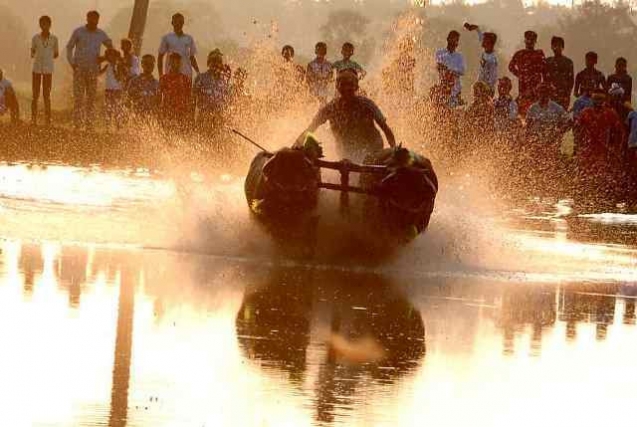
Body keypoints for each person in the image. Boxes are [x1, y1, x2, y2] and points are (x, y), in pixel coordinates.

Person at [300, 69, 396, 161]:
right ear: (337, 87)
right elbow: (311, 129)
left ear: (356, 87)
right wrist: (296, 145)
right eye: (343, 84)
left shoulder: (367, 105)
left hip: (372, 151)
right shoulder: (330, 108)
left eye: (350, 84)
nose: (346, 88)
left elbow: (386, 129)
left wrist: (394, 150)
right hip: (345, 156)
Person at [66, 10, 112, 131]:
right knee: (79, 98)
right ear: (87, 19)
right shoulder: (79, 32)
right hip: (79, 69)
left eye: (95, 19)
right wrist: (72, 63)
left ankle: (89, 125)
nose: (93, 21)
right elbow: (69, 47)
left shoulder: (101, 34)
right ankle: (77, 124)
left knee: (91, 98)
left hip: (93, 70)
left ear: (98, 20)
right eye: (91, 18)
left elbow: (111, 48)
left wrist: (104, 59)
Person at [508, 30, 546, 115]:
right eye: (528, 39)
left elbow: (544, 70)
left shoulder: (539, 54)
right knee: (523, 111)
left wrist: (544, 84)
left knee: (537, 111)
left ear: (535, 41)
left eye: (532, 40)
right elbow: (510, 66)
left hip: (536, 89)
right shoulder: (520, 54)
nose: (529, 42)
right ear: (525, 40)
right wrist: (520, 75)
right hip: (523, 89)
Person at [193, 50, 231, 132]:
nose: (216, 64)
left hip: (219, 119)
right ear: (209, 63)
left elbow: (226, 102)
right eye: (214, 61)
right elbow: (193, 100)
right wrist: (191, 118)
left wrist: (226, 119)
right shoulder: (200, 78)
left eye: (218, 61)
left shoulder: (224, 81)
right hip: (203, 118)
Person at [31, 15, 59, 126]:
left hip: (48, 70)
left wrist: (47, 57)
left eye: (46, 24)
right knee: (35, 95)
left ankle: (48, 120)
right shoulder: (35, 38)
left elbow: (56, 54)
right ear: (40, 25)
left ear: (50, 25)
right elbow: (32, 52)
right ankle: (33, 120)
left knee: (46, 95)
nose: (44, 26)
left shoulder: (54, 39)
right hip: (37, 69)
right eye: (42, 24)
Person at [158, 13, 199, 80]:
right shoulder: (167, 38)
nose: (178, 24)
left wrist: (198, 72)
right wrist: (160, 75)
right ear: (172, 23)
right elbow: (160, 57)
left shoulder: (189, 38)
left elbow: (192, 57)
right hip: (170, 75)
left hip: (186, 74)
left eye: (180, 22)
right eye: (175, 22)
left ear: (183, 23)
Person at [160, 52, 192, 129]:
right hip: (167, 113)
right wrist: (159, 113)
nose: (176, 64)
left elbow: (189, 97)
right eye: (173, 61)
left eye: (178, 61)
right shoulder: (164, 79)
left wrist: (190, 115)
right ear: (170, 63)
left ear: (180, 63)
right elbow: (159, 97)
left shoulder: (185, 79)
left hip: (182, 114)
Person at [464, 23, 498, 93]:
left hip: (486, 89)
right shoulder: (486, 52)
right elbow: (480, 36)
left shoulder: (492, 59)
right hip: (480, 86)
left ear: (489, 43)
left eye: (484, 40)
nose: (482, 41)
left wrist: (487, 87)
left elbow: (493, 76)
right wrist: (476, 28)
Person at [435, 30, 466, 106]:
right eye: (453, 39)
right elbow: (438, 65)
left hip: (455, 89)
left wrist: (449, 70)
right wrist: (445, 69)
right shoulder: (440, 52)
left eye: (456, 40)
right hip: (443, 86)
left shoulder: (459, 56)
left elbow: (462, 71)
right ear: (448, 39)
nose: (454, 42)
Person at [544, 36, 574, 110]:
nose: (556, 48)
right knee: (550, 115)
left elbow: (571, 81)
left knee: (562, 115)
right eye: (554, 45)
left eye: (559, 45)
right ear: (551, 47)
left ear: (562, 47)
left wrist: (567, 95)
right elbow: (545, 79)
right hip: (550, 95)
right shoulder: (547, 61)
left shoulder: (568, 62)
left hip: (563, 95)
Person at [100, 48, 126, 131]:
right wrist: (98, 64)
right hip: (109, 89)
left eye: (114, 56)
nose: (112, 58)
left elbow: (120, 77)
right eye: (110, 56)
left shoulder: (119, 66)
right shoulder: (107, 66)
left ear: (117, 57)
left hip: (117, 90)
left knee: (117, 108)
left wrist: (117, 69)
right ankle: (108, 127)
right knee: (109, 108)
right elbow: (99, 72)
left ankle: (118, 127)